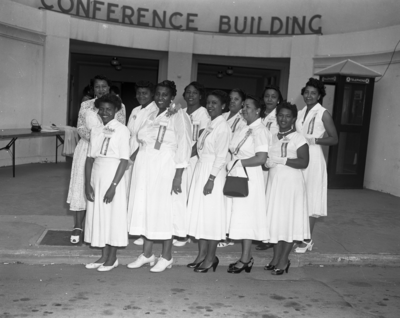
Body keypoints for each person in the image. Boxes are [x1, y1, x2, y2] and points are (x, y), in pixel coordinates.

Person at [126, 80, 191, 273]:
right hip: (145, 166)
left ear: (172, 97)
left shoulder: (179, 115)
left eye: (165, 95)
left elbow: (185, 145)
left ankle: (167, 256)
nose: (160, 98)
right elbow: (142, 140)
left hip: (165, 167)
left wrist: (178, 175)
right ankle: (147, 254)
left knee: (164, 210)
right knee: (147, 208)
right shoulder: (151, 114)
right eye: (158, 94)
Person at [67, 75, 126, 244]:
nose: (101, 89)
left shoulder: (120, 106)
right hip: (87, 147)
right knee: (82, 185)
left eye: (104, 86)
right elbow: (80, 127)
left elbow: (119, 127)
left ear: (109, 88)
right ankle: (78, 226)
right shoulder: (86, 105)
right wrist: (95, 138)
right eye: (97, 87)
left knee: (102, 185)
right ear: (93, 89)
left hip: (107, 152)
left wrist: (101, 141)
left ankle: (101, 226)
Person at [186, 90, 231, 273]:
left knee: (211, 217)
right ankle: (202, 254)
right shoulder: (210, 126)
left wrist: (211, 179)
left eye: (215, 103)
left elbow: (221, 157)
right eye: (209, 103)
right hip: (201, 170)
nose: (211, 106)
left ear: (223, 107)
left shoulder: (223, 127)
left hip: (213, 173)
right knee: (201, 215)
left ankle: (211, 258)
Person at [84, 94, 130, 272]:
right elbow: (89, 159)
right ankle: (103, 256)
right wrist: (87, 184)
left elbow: (124, 160)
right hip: (97, 174)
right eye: (101, 109)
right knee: (99, 216)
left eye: (108, 109)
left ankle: (113, 258)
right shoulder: (95, 130)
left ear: (116, 110)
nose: (104, 112)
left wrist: (113, 187)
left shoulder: (121, 130)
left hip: (113, 176)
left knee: (112, 216)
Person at [264, 101, 310, 275]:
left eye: (288, 116)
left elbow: (304, 162)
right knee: (276, 221)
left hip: (291, 184)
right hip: (275, 183)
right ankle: (275, 257)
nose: (283, 119)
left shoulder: (298, 138)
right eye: (281, 115)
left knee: (288, 222)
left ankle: (284, 260)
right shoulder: (273, 136)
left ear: (294, 118)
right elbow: (267, 160)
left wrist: (282, 160)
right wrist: (267, 163)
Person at [226, 95, 270, 274]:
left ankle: (245, 259)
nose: (244, 109)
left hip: (249, 175)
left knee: (248, 217)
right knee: (240, 216)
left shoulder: (260, 130)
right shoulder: (243, 127)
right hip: (237, 172)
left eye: (248, 107)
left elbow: (261, 158)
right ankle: (246, 258)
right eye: (243, 107)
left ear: (258, 110)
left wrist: (238, 164)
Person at [295, 78, 338, 253]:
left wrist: (315, 139)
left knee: (311, 197)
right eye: (307, 92)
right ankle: (297, 235)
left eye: (313, 93)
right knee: (298, 196)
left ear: (319, 95)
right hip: (298, 156)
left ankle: (307, 240)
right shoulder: (299, 112)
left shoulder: (323, 113)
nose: (309, 96)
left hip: (313, 157)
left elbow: (334, 138)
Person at [173, 81, 210, 247]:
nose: (190, 95)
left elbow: (201, 140)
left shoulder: (204, 114)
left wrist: (186, 157)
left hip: (193, 159)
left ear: (200, 96)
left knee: (188, 195)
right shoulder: (181, 112)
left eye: (194, 93)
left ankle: (185, 233)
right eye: (188, 92)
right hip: (181, 158)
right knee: (179, 195)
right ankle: (179, 229)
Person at [125, 81, 158, 247]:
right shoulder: (135, 110)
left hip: (140, 154)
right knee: (131, 191)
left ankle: (144, 232)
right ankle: (135, 227)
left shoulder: (154, 111)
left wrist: (132, 157)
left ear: (152, 94)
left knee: (141, 192)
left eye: (145, 93)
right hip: (129, 151)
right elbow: (129, 133)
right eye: (139, 93)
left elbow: (146, 138)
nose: (141, 96)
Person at [257, 85, 285, 251]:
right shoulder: (258, 114)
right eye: (267, 96)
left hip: (270, 162)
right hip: (256, 160)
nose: (269, 99)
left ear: (278, 100)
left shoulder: (280, 117)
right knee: (258, 199)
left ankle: (269, 237)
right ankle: (259, 233)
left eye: (273, 97)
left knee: (269, 200)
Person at [219, 88, 247, 248]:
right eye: (230, 98)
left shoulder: (242, 120)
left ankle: (229, 235)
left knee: (229, 198)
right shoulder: (222, 116)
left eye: (236, 99)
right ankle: (221, 230)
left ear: (242, 102)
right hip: (220, 159)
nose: (232, 101)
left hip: (231, 159)